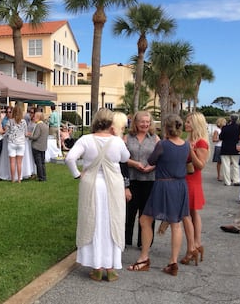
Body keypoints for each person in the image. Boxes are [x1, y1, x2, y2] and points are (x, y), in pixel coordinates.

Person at [65, 108, 130, 283]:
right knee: (112, 221)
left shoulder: (86, 140)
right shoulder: (117, 142)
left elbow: (70, 158)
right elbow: (126, 158)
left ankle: (96, 268)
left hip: (92, 185)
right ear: (111, 124)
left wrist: (77, 174)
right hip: (113, 186)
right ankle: (111, 268)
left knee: (92, 220)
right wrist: (116, 136)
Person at [127, 114, 190, 277]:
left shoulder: (163, 144)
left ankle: (144, 258)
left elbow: (152, 160)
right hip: (180, 185)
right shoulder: (186, 145)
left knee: (144, 219)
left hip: (163, 185)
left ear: (166, 128)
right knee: (176, 224)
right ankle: (173, 262)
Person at [123, 111, 159, 248]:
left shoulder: (155, 138)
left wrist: (151, 166)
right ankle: (126, 240)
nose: (145, 124)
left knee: (147, 213)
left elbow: (161, 157)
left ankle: (144, 242)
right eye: (142, 122)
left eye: (147, 122)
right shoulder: (127, 138)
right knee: (129, 212)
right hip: (132, 179)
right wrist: (134, 163)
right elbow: (121, 157)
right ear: (135, 123)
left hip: (150, 179)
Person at [180, 112, 209, 266]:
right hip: (186, 178)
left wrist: (190, 150)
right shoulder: (189, 140)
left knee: (188, 214)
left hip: (192, 180)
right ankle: (196, 245)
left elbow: (201, 165)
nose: (186, 124)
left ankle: (193, 246)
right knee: (192, 213)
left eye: (189, 122)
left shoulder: (201, 142)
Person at [7, 104, 27, 183]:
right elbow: (25, 133)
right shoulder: (24, 122)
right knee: (19, 163)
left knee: (12, 162)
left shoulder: (10, 121)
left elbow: (7, 132)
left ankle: (12, 179)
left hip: (12, 143)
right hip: (21, 143)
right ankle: (19, 179)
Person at [219, 114, 240, 186]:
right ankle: (236, 180)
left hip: (225, 148)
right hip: (236, 148)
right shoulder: (239, 128)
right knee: (236, 165)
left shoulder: (225, 128)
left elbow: (221, 137)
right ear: (237, 119)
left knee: (226, 165)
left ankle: (227, 181)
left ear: (230, 119)